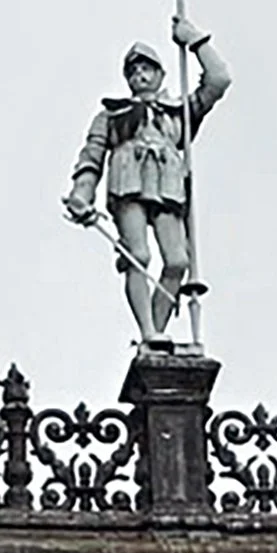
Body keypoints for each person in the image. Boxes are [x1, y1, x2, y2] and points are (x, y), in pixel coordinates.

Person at [64, 19, 230, 347]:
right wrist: (82, 192)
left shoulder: (178, 112)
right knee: (137, 254)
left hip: (168, 184)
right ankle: (148, 333)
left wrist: (194, 41)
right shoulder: (112, 115)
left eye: (146, 69)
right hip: (128, 182)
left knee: (178, 261)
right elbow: (91, 156)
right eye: (133, 71)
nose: (140, 75)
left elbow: (219, 80)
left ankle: (156, 329)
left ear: (159, 74)